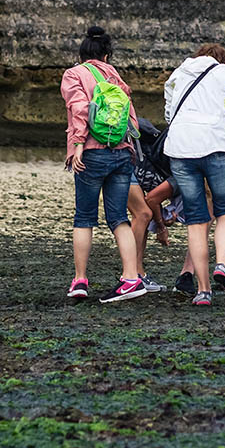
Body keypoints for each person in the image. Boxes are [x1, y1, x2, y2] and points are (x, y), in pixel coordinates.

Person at [163, 44, 225, 307]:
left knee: (196, 220)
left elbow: (169, 113)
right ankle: (222, 264)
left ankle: (203, 291)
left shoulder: (178, 73)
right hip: (218, 147)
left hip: (181, 150)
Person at [61, 26, 147, 303]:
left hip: (92, 154)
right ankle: (132, 278)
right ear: (107, 55)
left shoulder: (74, 74)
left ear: (82, 54)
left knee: (84, 218)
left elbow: (79, 109)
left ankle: (80, 280)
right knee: (119, 218)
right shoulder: (115, 76)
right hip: (121, 154)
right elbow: (131, 117)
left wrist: (78, 145)